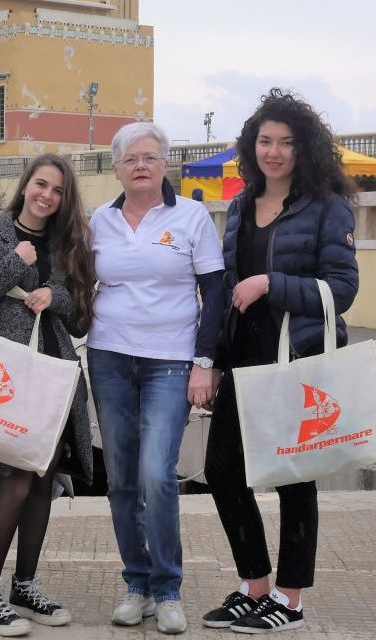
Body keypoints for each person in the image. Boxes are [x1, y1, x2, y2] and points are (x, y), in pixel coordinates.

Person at [201, 88, 358, 634]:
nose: (274, 152)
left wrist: (273, 284)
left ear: (303, 149)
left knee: (294, 477)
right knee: (221, 471)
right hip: (244, 355)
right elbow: (225, 289)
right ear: (252, 146)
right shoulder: (242, 204)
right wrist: (212, 361)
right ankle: (255, 587)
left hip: (297, 357)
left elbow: (343, 288)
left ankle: (289, 600)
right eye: (265, 141)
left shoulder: (326, 206)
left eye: (286, 143)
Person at [87, 122, 225, 635]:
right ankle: (136, 584)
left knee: (156, 475)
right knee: (121, 478)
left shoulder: (190, 217)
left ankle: (168, 588)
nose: (140, 165)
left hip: (170, 360)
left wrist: (204, 362)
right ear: (118, 168)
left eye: (149, 157)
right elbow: (78, 281)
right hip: (108, 358)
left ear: (165, 163)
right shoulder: (100, 220)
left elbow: (214, 292)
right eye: (130, 159)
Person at [0, 154, 96, 637]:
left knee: (43, 480)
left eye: (57, 190)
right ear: (26, 185)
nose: (47, 196)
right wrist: (16, 264)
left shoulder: (68, 244)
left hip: (54, 375)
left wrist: (52, 297)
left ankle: (25, 585)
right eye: (41, 184)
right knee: (15, 478)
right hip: (7, 377)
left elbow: (82, 316)